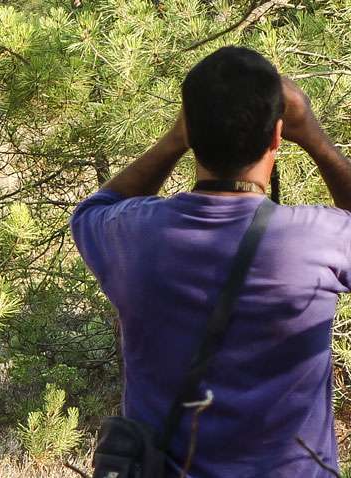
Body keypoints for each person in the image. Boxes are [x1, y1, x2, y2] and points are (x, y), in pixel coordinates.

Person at [71, 46, 351, 477]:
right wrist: (313, 134)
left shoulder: (132, 234)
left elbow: (92, 209)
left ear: (191, 132)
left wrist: (173, 139)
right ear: (278, 136)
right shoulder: (319, 239)